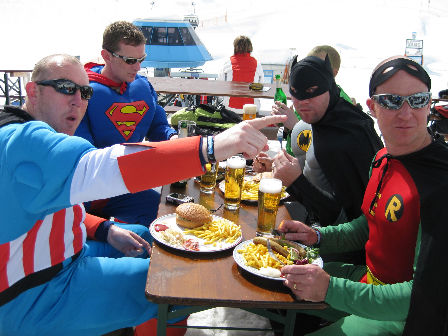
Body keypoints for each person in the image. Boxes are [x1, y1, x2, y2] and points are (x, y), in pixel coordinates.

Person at [0, 53, 286, 336]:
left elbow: (47, 208)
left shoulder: (20, 132)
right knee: (175, 281)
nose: (78, 99)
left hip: (67, 254)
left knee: (147, 235)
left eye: (85, 91)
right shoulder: (23, 142)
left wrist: (104, 228)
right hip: (35, 294)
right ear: (31, 91)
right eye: (65, 88)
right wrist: (213, 147)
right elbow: (105, 167)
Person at [278, 55, 444, 336]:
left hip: (403, 317)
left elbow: (422, 296)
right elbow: (370, 225)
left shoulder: (439, 183)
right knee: (273, 280)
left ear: (429, 105)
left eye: (417, 100)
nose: (406, 113)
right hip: (368, 280)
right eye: (391, 101)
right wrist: (318, 237)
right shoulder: (382, 158)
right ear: (372, 107)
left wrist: (331, 289)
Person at [256, 55, 383, 231]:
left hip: (342, 244)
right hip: (315, 224)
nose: (301, 102)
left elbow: (346, 219)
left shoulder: (347, 136)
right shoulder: (325, 120)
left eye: (312, 92)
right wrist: (276, 166)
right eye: (295, 93)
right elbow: (320, 172)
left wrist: (295, 182)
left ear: (329, 89)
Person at [75, 21, 177, 226]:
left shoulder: (143, 86)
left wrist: (173, 138)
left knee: (167, 217)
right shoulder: (82, 91)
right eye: (130, 60)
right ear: (107, 56)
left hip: (124, 185)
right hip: (85, 192)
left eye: (142, 59)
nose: (138, 67)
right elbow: (80, 152)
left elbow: (157, 126)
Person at [271, 45, 353, 156]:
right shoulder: (306, 94)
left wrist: (295, 125)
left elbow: (331, 149)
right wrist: (285, 124)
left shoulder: (341, 103)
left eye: (317, 67)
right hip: (293, 160)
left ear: (334, 73)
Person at [218, 35, 264, 112]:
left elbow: (220, 84)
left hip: (230, 108)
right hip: (251, 108)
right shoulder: (256, 64)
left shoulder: (228, 63)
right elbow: (260, 84)